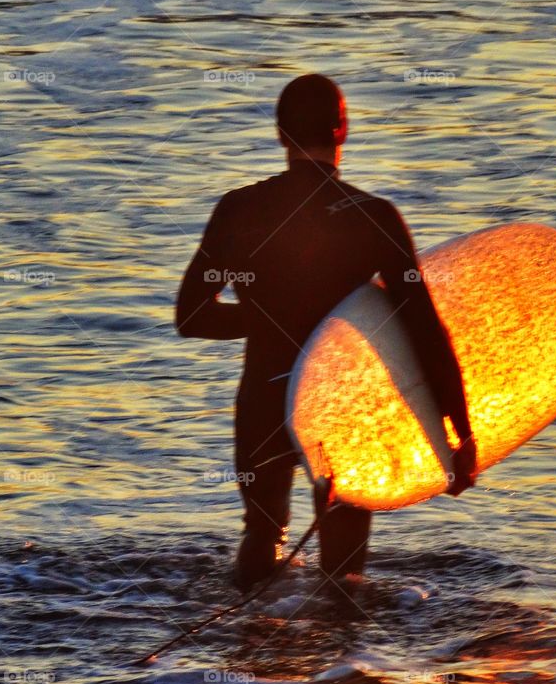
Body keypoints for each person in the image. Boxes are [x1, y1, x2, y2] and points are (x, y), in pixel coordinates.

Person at [175, 74, 476, 591]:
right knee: (344, 572)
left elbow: (191, 315)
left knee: (262, 536)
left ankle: (246, 657)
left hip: (263, 402)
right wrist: (459, 432)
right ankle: (344, 664)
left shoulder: (238, 210)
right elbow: (423, 329)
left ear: (279, 133)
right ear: (344, 129)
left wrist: (269, 318)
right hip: (339, 410)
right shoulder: (373, 217)